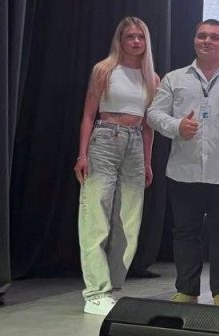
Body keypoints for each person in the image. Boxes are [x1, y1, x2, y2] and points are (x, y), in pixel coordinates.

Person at [147, 19, 219, 307]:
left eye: (215, 37)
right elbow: (153, 114)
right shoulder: (174, 78)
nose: (207, 41)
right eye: (202, 36)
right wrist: (177, 126)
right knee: (185, 233)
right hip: (183, 170)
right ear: (194, 40)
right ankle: (187, 289)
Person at [74, 16, 160, 315]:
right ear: (120, 40)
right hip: (105, 139)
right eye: (129, 37)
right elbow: (88, 114)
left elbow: (148, 126)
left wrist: (147, 161)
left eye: (140, 37)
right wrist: (82, 154)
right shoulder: (104, 69)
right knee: (96, 216)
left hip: (135, 144)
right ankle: (95, 292)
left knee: (128, 220)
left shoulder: (152, 77)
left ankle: (111, 286)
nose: (135, 42)